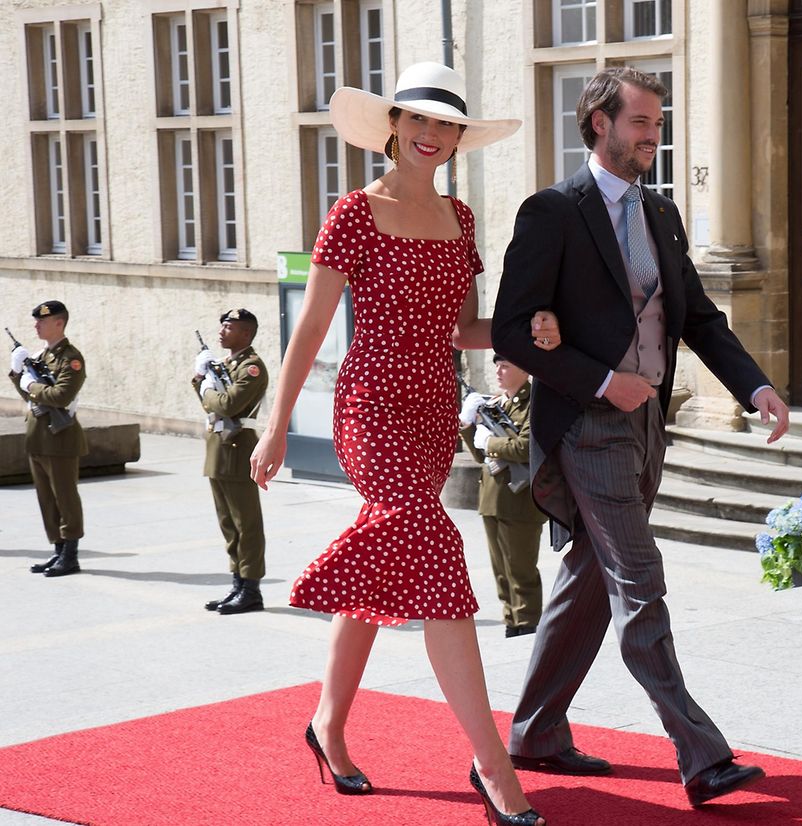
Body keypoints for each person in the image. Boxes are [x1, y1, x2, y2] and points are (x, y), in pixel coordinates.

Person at [248, 62, 556, 826]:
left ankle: (327, 724)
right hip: (369, 407)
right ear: (392, 128)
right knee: (431, 541)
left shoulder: (463, 219)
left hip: (431, 411)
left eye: (447, 125)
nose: (433, 135)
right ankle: (493, 766)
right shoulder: (353, 212)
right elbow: (313, 327)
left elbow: (459, 332)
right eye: (419, 121)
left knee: (391, 549)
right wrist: (277, 421)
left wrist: (537, 332)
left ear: (457, 138)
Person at [491, 67, 791, 808]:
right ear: (599, 122)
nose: (653, 136)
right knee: (637, 576)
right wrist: (600, 381)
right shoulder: (554, 212)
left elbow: (698, 319)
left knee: (592, 575)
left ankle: (533, 731)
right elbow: (510, 330)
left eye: (658, 124)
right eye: (640, 123)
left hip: (648, 425)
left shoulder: (661, 216)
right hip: (588, 424)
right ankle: (701, 754)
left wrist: (754, 386)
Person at [460, 355, 547, 638]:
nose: (498, 370)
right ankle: (511, 619)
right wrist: (468, 425)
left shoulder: (536, 404)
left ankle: (527, 625)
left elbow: (526, 447)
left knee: (521, 570)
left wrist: (491, 442)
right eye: (496, 364)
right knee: (501, 571)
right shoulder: (497, 405)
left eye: (506, 364)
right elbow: (481, 455)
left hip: (520, 501)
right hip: (493, 497)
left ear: (525, 368)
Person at [192, 308, 269, 615]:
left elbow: (228, 404)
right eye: (222, 327)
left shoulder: (252, 367)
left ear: (246, 334)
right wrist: (201, 377)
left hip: (238, 449)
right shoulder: (226, 364)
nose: (221, 332)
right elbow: (211, 405)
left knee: (245, 522)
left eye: (229, 327)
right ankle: (237, 582)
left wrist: (206, 386)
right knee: (227, 522)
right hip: (219, 449)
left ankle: (251, 588)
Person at [8, 300, 89, 578]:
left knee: (65, 497)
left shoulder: (71, 359)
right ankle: (57, 550)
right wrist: (17, 374)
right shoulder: (41, 357)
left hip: (61, 438)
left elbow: (61, 396)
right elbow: (29, 395)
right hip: (38, 437)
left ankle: (70, 555)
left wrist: (30, 384)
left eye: (42, 321)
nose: (36, 325)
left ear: (59, 323)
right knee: (47, 499)